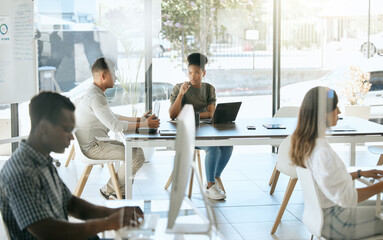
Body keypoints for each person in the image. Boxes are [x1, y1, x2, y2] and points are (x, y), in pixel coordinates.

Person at [0, 92, 144, 240]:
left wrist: (115, 212)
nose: (71, 137)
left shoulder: (43, 161)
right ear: (44, 127)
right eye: (67, 130)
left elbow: (72, 205)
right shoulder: (21, 171)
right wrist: (108, 223)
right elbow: (49, 233)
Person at [290, 86, 383, 239]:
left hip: (323, 217)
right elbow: (348, 198)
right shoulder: (322, 152)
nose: (339, 112)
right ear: (323, 113)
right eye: (335, 107)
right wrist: (380, 186)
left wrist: (359, 174)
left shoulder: (309, 143)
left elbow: (327, 181)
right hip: (338, 222)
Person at [75, 57, 160, 199]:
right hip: (93, 147)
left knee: (135, 152)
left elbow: (114, 116)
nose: (116, 77)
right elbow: (115, 126)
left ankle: (119, 193)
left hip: (96, 142)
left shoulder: (94, 92)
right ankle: (109, 190)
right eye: (113, 74)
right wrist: (145, 125)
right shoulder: (95, 97)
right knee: (137, 156)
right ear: (103, 76)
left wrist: (141, 119)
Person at [169, 53, 233, 200]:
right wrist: (180, 95)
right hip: (186, 134)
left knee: (228, 145)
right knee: (213, 147)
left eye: (197, 73)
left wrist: (187, 114)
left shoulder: (209, 89)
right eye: (190, 72)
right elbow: (173, 115)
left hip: (204, 132)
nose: (193, 76)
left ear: (203, 73)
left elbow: (211, 113)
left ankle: (214, 177)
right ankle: (210, 185)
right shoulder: (179, 87)